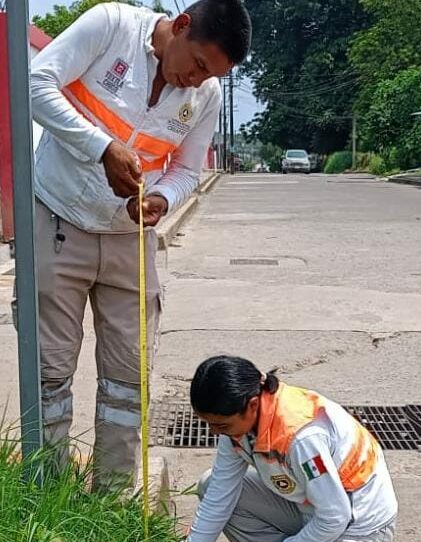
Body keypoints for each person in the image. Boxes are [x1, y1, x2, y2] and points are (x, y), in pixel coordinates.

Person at [26, 0, 252, 485]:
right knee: (48, 369)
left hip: (130, 238)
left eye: (210, 74)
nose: (196, 80)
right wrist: (101, 148)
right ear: (181, 26)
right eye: (197, 64)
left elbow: (186, 170)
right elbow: (35, 84)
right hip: (58, 219)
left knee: (129, 376)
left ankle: (112, 493)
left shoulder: (206, 93)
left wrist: (161, 201)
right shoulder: (110, 27)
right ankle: (44, 490)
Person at [175, 356, 398, 542]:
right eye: (209, 424)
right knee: (209, 484)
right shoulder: (236, 428)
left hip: (357, 524)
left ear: (252, 405)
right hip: (313, 508)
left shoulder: (302, 438)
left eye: (221, 426)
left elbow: (335, 517)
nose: (215, 432)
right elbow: (218, 499)